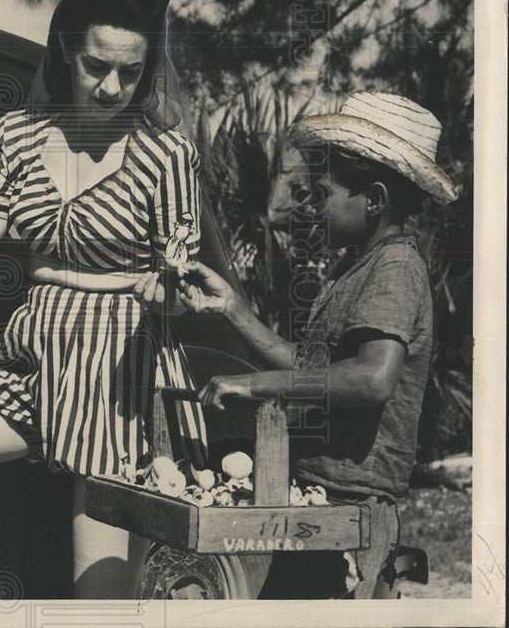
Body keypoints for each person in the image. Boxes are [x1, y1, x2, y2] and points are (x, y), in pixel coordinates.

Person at [0, 0, 208, 598]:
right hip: (30, 363)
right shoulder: (17, 134)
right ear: (66, 49)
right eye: (97, 66)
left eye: (131, 71)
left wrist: (168, 291)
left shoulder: (168, 155)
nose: (113, 87)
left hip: (119, 382)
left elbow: (181, 285)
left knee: (98, 595)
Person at [153, 91, 458, 598]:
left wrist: (256, 385)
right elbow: (310, 367)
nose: (315, 206)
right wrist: (232, 308)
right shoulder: (355, 266)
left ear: (375, 199)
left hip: (353, 514)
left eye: (326, 193)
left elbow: (372, 378)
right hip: (319, 501)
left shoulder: (397, 267)